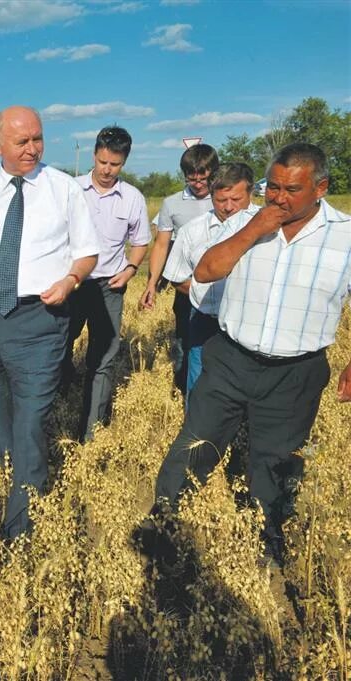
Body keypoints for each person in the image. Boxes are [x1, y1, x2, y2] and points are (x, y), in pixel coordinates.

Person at [154, 143, 351, 562]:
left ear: (321, 188)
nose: (278, 197)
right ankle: (165, 520)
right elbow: (206, 271)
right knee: (195, 442)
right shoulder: (245, 222)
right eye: (272, 187)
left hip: (296, 371)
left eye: (290, 189)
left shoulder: (345, 236)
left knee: (275, 458)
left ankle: (267, 535)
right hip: (231, 358)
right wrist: (253, 230)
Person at [0, 106, 100, 540]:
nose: (33, 149)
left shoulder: (64, 190)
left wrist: (71, 279)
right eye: (22, 142)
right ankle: (26, 486)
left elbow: (88, 252)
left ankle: (21, 528)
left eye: (38, 138)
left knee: (30, 420)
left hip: (42, 317)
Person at [66, 126, 150, 441]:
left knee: (102, 358)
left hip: (109, 287)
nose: (106, 170)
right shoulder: (71, 190)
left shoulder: (132, 198)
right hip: (72, 285)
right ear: (94, 155)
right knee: (59, 345)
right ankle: (62, 390)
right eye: (102, 162)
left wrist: (130, 269)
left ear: (123, 162)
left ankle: (90, 433)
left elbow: (140, 242)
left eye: (114, 165)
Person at [162, 162, 257, 397]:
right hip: (205, 320)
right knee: (199, 381)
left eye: (236, 199)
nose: (228, 207)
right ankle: (197, 431)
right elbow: (177, 277)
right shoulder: (192, 231)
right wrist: (207, 297)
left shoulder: (271, 229)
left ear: (251, 193)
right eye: (220, 200)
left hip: (254, 323)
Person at [140, 144, 219, 393]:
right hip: (187, 287)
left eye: (203, 178)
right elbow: (161, 245)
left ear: (214, 173)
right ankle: (186, 389)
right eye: (191, 178)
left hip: (223, 284)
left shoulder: (224, 199)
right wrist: (152, 283)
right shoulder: (172, 204)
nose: (197, 184)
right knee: (186, 340)